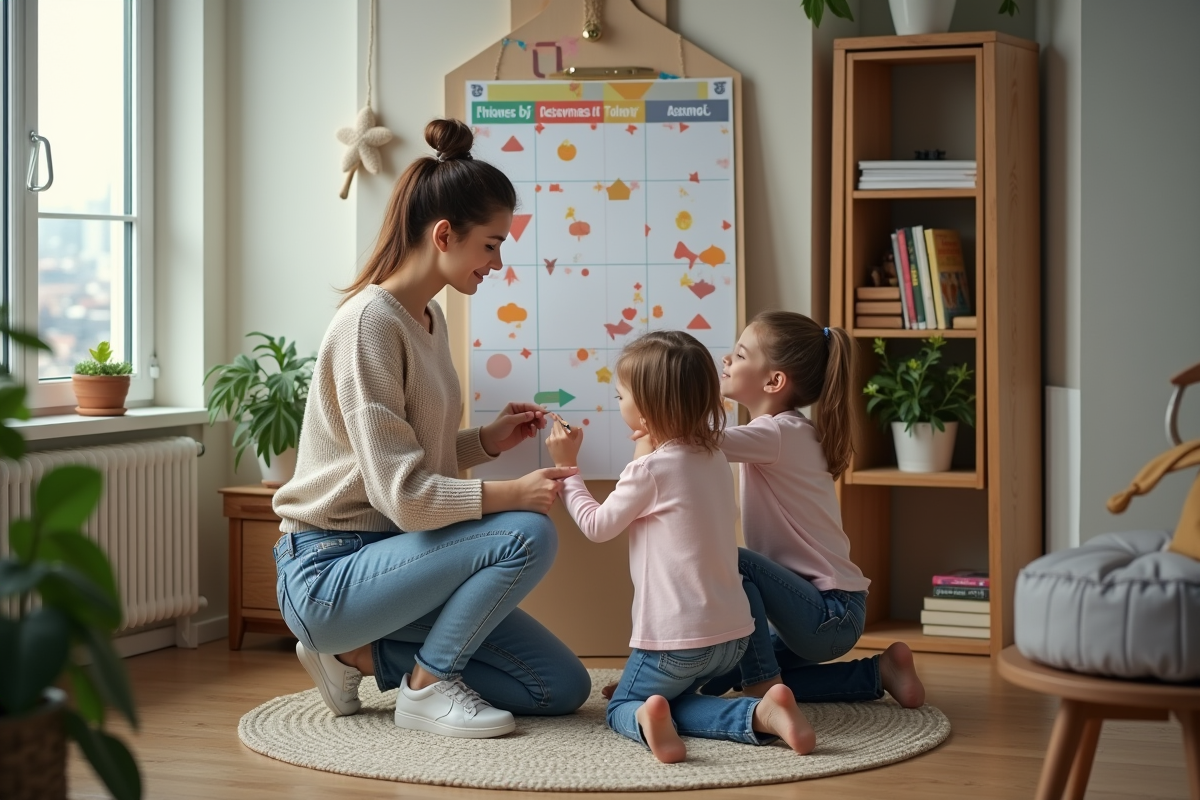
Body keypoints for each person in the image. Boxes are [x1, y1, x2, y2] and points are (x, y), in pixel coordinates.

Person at [271, 119, 590, 740]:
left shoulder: (428, 318)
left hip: (396, 563)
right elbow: (405, 496)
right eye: (491, 245)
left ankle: (357, 658)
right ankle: (427, 686)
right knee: (526, 532)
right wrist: (511, 493)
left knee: (558, 686)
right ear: (445, 234)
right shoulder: (369, 325)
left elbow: (404, 459)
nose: (498, 262)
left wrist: (485, 442)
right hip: (330, 572)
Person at [545, 331, 816, 763]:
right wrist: (646, 443)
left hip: (674, 644)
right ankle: (761, 714)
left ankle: (642, 714)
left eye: (620, 397)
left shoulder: (648, 471)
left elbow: (597, 526)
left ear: (645, 412)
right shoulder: (714, 458)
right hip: (733, 639)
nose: (618, 403)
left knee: (619, 706)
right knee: (674, 702)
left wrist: (567, 469)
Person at [699, 311, 926, 706]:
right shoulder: (782, 432)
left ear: (774, 381)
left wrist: (657, 410)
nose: (726, 359)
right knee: (730, 669)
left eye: (740, 354)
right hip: (827, 614)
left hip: (828, 614)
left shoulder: (777, 433)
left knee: (734, 562)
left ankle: (761, 685)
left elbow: (698, 441)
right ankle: (881, 672)